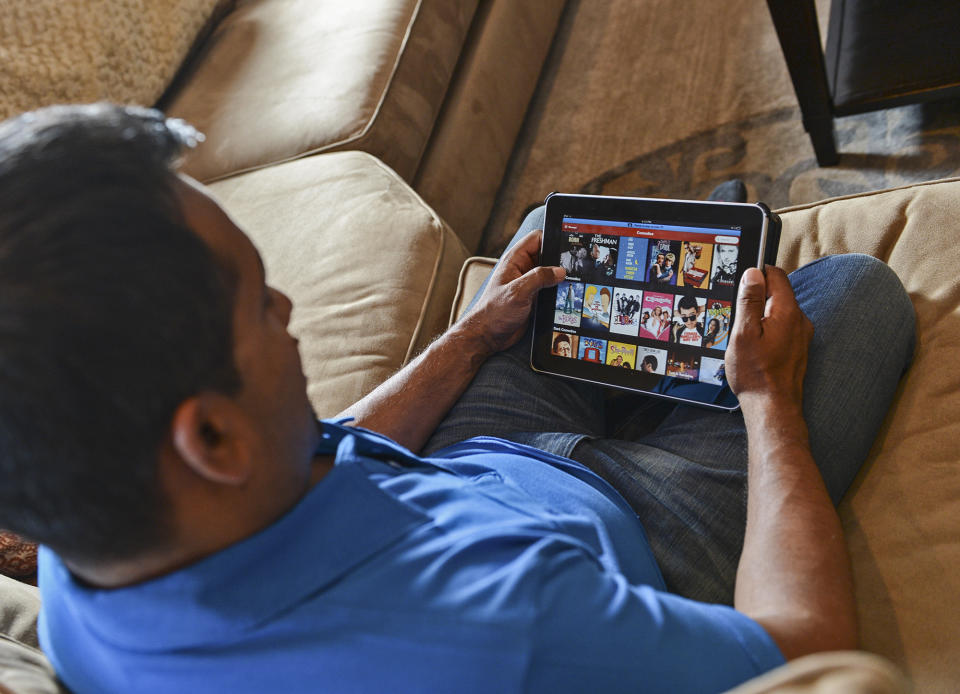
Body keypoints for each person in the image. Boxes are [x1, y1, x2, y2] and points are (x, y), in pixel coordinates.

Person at [0, 105, 917, 694]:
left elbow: (335, 447)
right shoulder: (498, 635)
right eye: (256, 297)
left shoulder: (93, 579)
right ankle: (711, 337)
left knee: (539, 249)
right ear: (209, 436)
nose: (285, 307)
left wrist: (468, 336)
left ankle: (698, 306)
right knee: (857, 298)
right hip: (639, 538)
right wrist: (769, 406)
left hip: (467, 473)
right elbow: (801, 655)